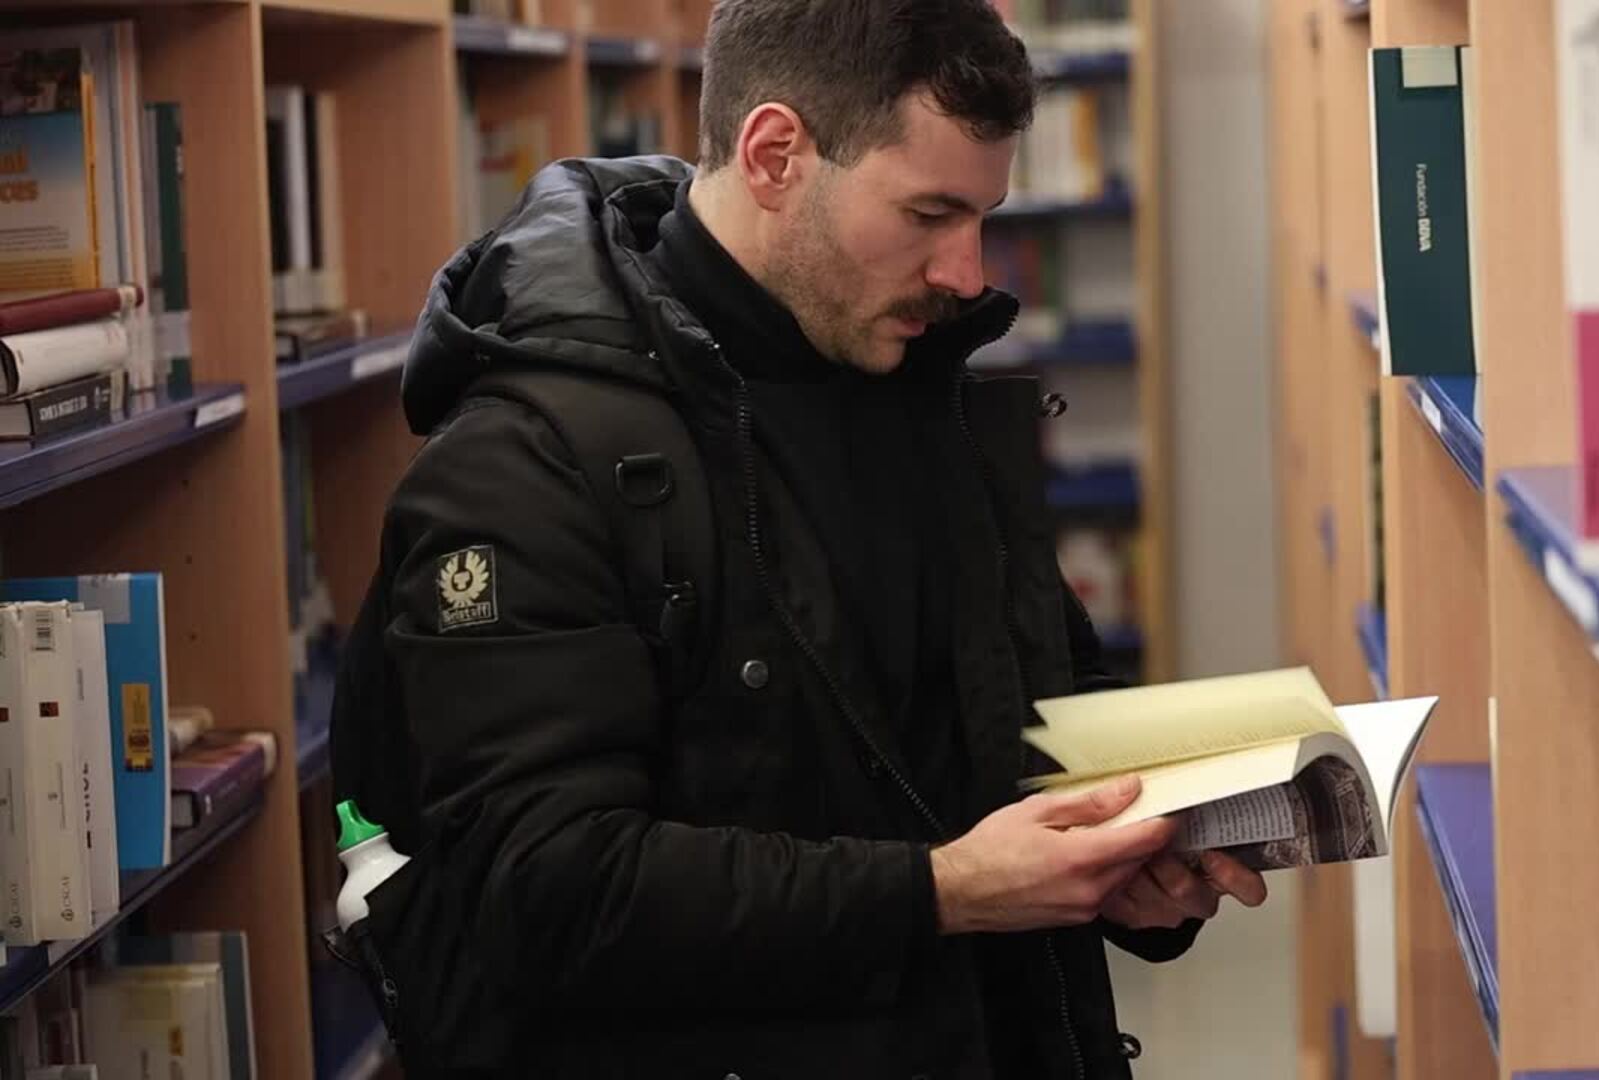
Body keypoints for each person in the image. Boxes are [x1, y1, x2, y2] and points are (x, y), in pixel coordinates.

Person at [328, 1, 1268, 1076]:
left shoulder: (919, 384)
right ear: (776, 154)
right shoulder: (526, 463)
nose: (967, 273)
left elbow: (1032, 700)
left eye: (982, 216)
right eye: (929, 213)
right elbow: (547, 891)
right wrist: (944, 893)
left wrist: (1130, 857)